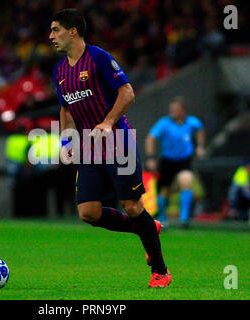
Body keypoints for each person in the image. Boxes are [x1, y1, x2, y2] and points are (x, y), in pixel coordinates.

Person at [50, 9, 171, 288]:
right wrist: (67, 141)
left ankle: (161, 272)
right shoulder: (59, 71)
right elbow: (66, 109)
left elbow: (127, 91)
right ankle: (147, 228)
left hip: (119, 142)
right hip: (89, 150)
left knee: (132, 205)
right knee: (88, 212)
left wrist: (107, 122)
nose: (51, 36)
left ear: (73, 31)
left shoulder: (99, 58)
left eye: (56, 30)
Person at [145, 96, 206, 228]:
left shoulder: (192, 122)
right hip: (167, 160)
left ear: (183, 111)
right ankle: (162, 218)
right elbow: (151, 138)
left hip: (184, 160)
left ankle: (184, 219)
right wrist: (151, 157)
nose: (172, 112)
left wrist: (200, 146)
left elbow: (200, 130)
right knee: (164, 190)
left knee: (186, 180)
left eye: (175, 109)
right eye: (171, 109)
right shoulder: (164, 123)